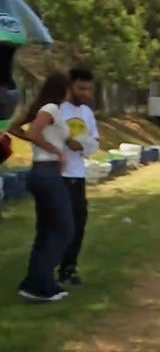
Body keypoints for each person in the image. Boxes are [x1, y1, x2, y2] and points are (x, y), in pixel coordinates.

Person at [7, 72, 73, 302]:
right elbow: (34, 132)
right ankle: (41, 285)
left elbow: (16, 128)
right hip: (47, 172)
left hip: (41, 171)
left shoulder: (45, 109)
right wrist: (56, 152)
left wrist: (46, 146)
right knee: (63, 228)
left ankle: (34, 282)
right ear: (62, 89)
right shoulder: (51, 108)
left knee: (46, 230)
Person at [58, 67, 100, 285]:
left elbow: (94, 139)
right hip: (58, 173)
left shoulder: (87, 113)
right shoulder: (58, 110)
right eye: (81, 88)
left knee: (78, 222)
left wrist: (87, 146)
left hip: (78, 173)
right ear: (71, 86)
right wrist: (66, 142)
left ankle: (69, 268)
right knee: (60, 224)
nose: (85, 93)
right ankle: (47, 268)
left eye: (88, 89)